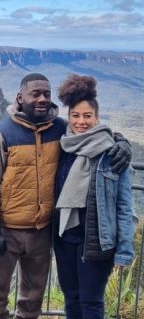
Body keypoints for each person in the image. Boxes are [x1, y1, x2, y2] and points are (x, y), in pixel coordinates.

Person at [0, 73, 132, 319]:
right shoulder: (1, 134)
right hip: (7, 229)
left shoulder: (60, 129)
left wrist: (122, 143)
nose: (41, 99)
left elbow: (94, 136)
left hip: (42, 232)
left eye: (46, 94)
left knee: (32, 299)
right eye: (35, 93)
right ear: (20, 97)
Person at [53, 74, 136, 319]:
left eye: (87, 116)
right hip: (64, 239)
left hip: (97, 242)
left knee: (90, 303)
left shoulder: (112, 153)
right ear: (68, 118)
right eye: (76, 115)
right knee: (72, 300)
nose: (81, 121)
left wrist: (124, 250)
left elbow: (124, 206)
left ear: (97, 117)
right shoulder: (63, 145)